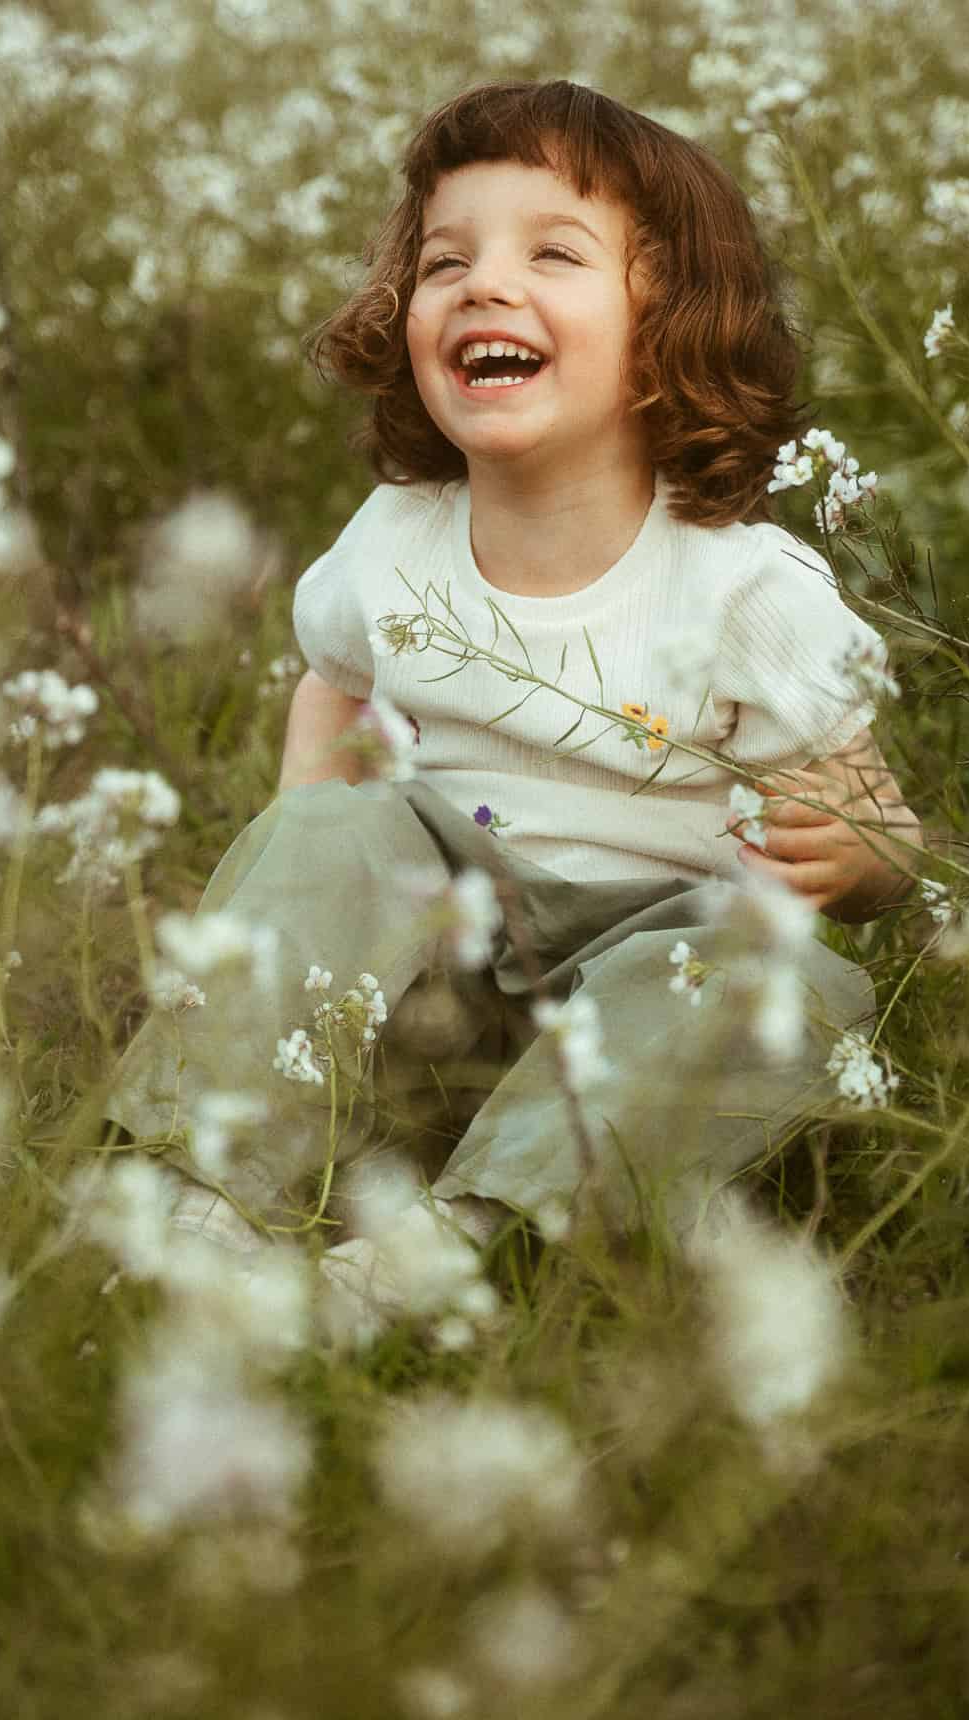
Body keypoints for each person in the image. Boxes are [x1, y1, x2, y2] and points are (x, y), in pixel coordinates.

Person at [107, 79, 921, 1316]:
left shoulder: (745, 586)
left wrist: (857, 855)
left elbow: (872, 819)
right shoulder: (395, 538)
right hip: (444, 979)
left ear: (671, 325)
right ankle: (200, 1194)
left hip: (660, 963)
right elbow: (330, 684)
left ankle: (450, 1241)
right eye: (446, 261)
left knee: (784, 992)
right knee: (329, 834)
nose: (485, 284)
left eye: (553, 252)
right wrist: (306, 847)